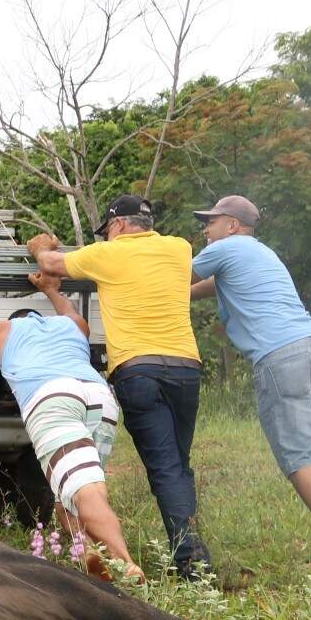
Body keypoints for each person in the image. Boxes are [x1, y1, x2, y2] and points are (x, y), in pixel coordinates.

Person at [28, 194, 213, 580]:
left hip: (138, 370)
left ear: (118, 225)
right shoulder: (179, 248)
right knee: (177, 464)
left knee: (165, 467)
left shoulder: (104, 254)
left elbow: (49, 263)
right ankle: (192, 550)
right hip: (186, 369)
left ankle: (192, 563)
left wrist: (42, 245)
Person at [0, 273, 141, 582]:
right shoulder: (72, 326)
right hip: (99, 399)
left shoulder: (3, 329)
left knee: (82, 490)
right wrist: (51, 290)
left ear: (16, 319)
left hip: (54, 398)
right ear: (40, 318)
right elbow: (68, 309)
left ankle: (123, 562)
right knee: (71, 497)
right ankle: (93, 554)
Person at [188, 194, 311, 571]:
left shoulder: (225, 248)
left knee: (297, 459)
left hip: (280, 355)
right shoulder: (259, 253)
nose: (206, 228)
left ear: (232, 225)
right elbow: (204, 287)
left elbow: (177, 277)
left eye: (211, 221)